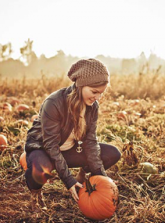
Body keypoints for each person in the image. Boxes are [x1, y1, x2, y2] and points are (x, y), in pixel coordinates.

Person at [24, 58, 121, 212]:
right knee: (40, 169)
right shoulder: (54, 102)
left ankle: (83, 175)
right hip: (44, 149)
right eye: (94, 92)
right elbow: (51, 145)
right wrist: (68, 180)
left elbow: (90, 141)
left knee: (112, 153)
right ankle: (36, 194)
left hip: (70, 150)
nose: (97, 97)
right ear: (80, 85)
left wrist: (102, 178)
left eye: (101, 93)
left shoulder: (92, 106)